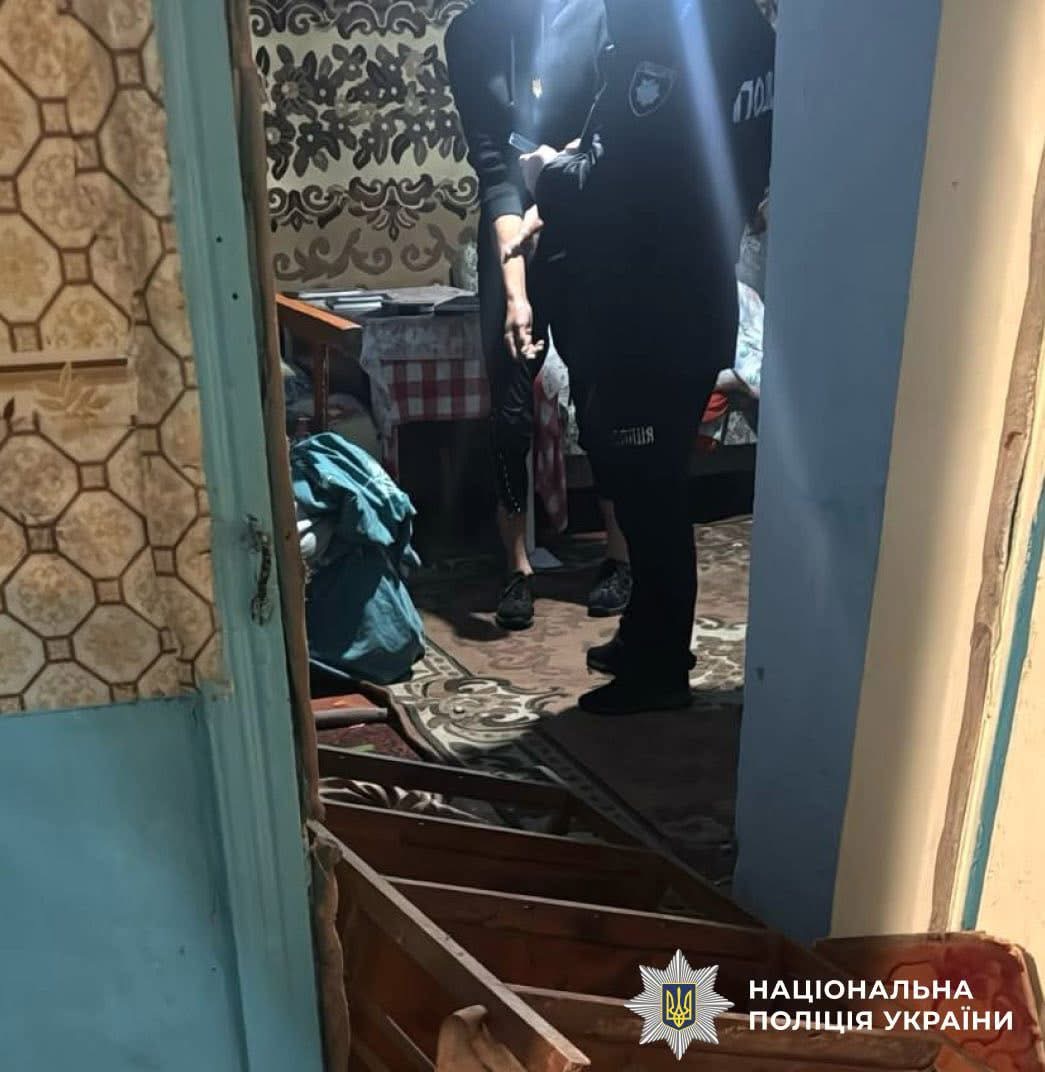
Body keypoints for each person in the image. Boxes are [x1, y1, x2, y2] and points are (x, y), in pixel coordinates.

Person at [519, 0, 775, 714]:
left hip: (647, 317)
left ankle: (659, 668)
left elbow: (619, 186)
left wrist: (547, 173)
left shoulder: (668, 43)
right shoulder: (750, 35)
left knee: (649, 496)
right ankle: (644, 636)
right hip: (684, 303)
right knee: (641, 487)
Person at [445, 0, 633, 631]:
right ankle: (516, 566)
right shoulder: (471, 32)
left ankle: (619, 554)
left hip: (584, 220)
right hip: (508, 231)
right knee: (509, 406)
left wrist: (549, 198)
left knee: (602, 397)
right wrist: (516, 294)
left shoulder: (602, 16)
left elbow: (607, 138)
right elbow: (493, 165)